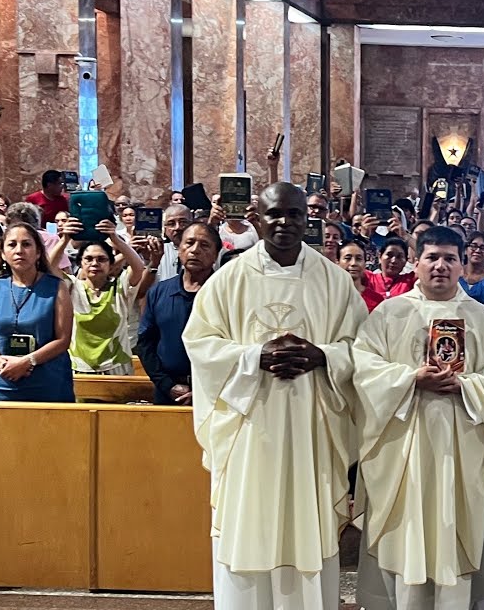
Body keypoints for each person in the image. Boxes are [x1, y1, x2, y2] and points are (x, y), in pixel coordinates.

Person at [182, 182, 367, 610]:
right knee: (249, 525)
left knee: (307, 528)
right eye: (274, 215)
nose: (285, 223)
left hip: (312, 430)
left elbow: (364, 349)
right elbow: (201, 345)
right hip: (251, 431)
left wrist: (322, 354)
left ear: (309, 218)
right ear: (257, 219)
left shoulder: (335, 282)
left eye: (294, 214)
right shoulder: (229, 280)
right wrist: (254, 356)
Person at [352, 225, 484, 609]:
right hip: (405, 447)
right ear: (416, 262)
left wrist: (467, 386)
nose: (440, 266)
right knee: (407, 540)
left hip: (463, 447)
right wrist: (410, 379)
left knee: (456, 536)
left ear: (462, 264)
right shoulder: (390, 313)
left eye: (449, 259)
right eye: (432, 257)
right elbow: (363, 366)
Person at [0, 223, 74, 402]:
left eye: (26, 244)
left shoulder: (57, 287)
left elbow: (63, 340)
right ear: (3, 254)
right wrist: (3, 364)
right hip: (1, 382)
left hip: (47, 385)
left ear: (38, 253)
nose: (19, 250)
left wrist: (27, 361)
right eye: (12, 244)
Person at [53, 218, 147, 376]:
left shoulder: (120, 287)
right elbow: (48, 266)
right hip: (79, 367)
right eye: (88, 259)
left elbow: (138, 267)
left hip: (117, 367)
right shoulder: (72, 287)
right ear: (80, 263)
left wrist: (115, 238)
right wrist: (65, 239)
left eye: (101, 259)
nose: (95, 263)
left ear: (111, 264)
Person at [139, 222, 220, 405]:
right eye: (189, 243)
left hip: (215, 393)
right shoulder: (159, 292)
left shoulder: (226, 293)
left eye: (204, 245)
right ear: (179, 249)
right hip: (168, 391)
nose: (195, 250)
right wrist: (168, 386)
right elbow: (146, 344)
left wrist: (206, 388)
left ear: (215, 255)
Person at [461, 231, 484, 308]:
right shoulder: (454, 273)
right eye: (473, 246)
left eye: (483, 248)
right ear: (465, 250)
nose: (478, 251)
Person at [374, 236, 417, 302]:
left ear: (406, 261)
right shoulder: (368, 279)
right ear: (380, 257)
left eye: (399, 257)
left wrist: (405, 236)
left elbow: (425, 253)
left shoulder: (410, 280)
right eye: (389, 255)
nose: (394, 260)